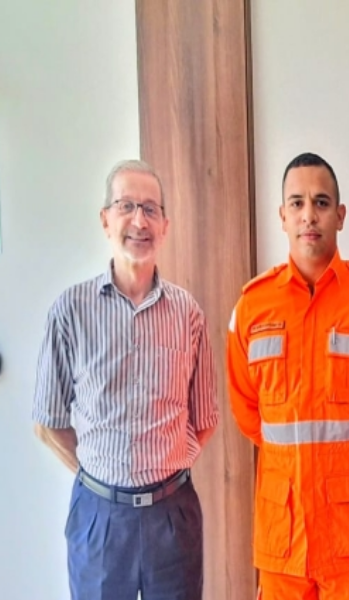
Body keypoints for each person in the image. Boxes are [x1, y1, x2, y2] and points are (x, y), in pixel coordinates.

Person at [226, 152, 349, 600]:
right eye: (297, 203)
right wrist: (295, 460)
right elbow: (246, 409)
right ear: (282, 216)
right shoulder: (253, 307)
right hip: (283, 533)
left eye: (321, 202)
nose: (308, 215)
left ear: (340, 215)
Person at [32, 159, 219, 600]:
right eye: (127, 206)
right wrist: (103, 477)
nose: (140, 221)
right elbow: (47, 423)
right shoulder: (70, 311)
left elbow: (205, 419)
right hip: (99, 519)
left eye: (151, 209)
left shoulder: (188, 314)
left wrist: (165, 466)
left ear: (165, 226)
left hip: (172, 516)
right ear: (105, 220)